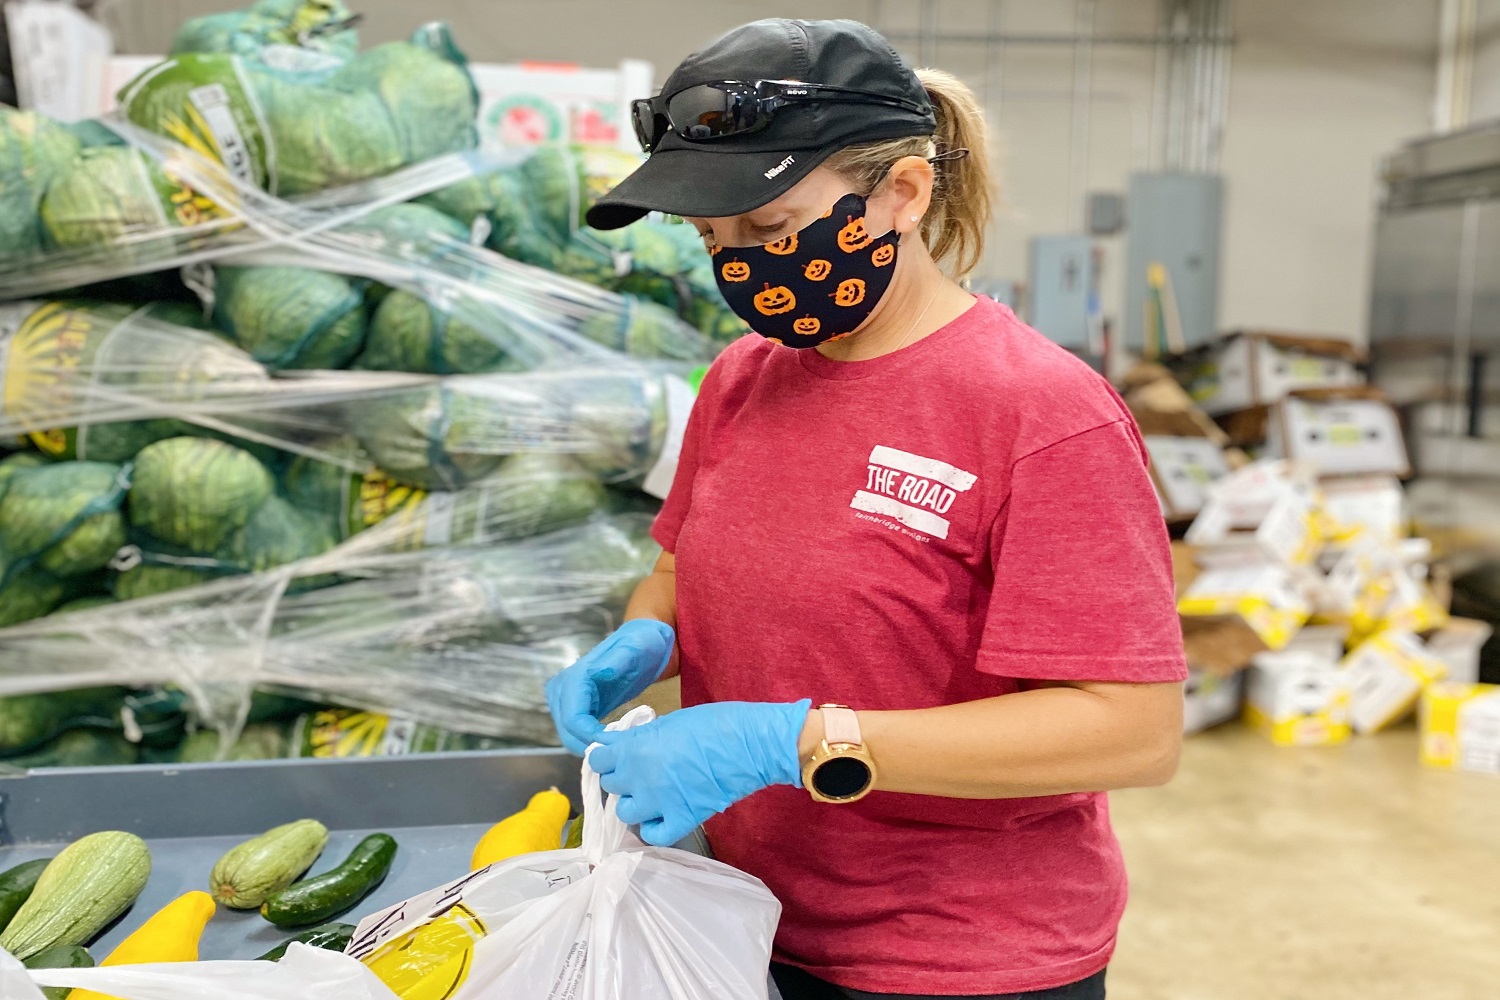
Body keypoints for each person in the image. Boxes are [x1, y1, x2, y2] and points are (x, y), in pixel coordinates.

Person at [546, 18, 1186, 1000]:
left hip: (959, 959)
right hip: (743, 916)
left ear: (901, 194)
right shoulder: (743, 379)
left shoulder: (1040, 413)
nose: (738, 265)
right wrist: (644, 637)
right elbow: (682, 566)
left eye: (766, 229)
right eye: (711, 238)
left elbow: (1129, 731)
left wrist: (792, 744)